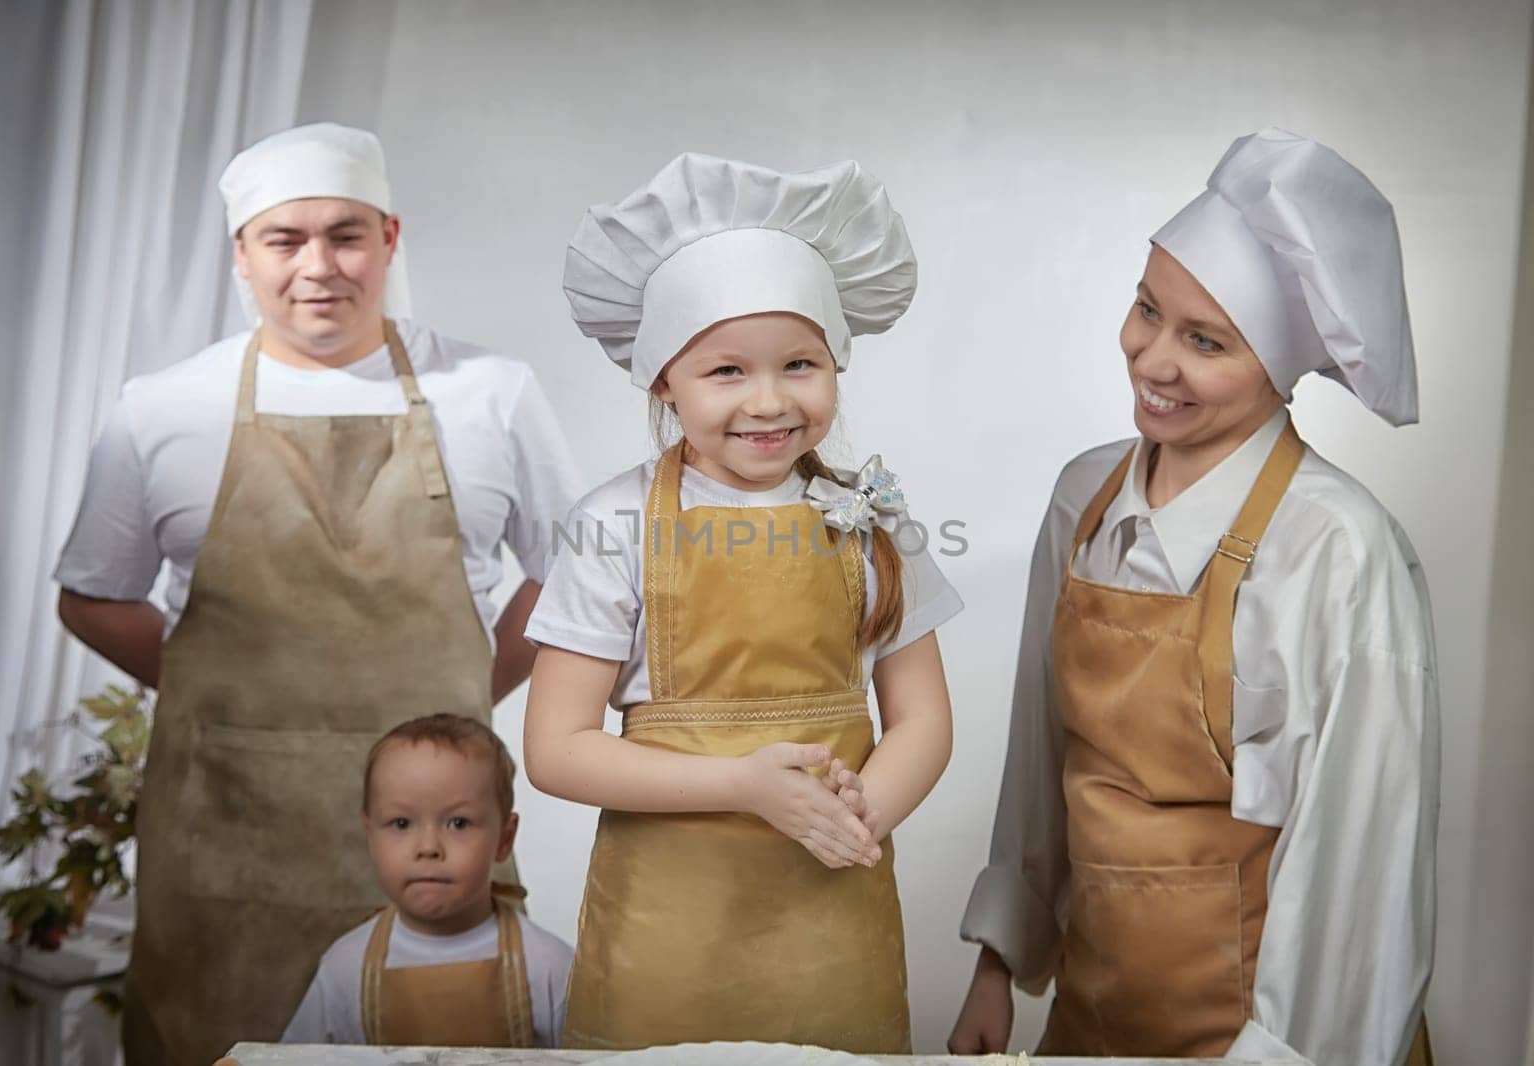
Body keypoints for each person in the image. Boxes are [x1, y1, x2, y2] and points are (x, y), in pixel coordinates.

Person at [52, 123, 583, 1065]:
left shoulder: (490, 394)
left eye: (345, 234)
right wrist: (219, 694)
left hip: (435, 836)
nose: (318, 266)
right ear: (241, 257)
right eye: (284, 240)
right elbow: (92, 596)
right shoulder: (163, 406)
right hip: (225, 835)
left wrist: (462, 694)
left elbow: (568, 577)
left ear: (389, 237)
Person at [948, 128, 1439, 1065]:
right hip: (1097, 1022)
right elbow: (1041, 752)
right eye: (1146, 310)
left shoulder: (1338, 549)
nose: (1153, 360)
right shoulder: (1082, 499)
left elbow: (1359, 872)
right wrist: (997, 965)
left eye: (1205, 341)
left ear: (1276, 368)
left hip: (1264, 1040)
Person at [522, 152, 963, 1053]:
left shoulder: (871, 521)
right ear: (662, 380)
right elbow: (555, 750)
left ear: (835, 362)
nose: (768, 401)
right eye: (725, 372)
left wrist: (855, 816)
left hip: (833, 910)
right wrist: (743, 787)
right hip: (667, 932)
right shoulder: (614, 524)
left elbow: (923, 720)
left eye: (799, 363)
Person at [281, 714, 572, 1048]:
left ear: (504, 840)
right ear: (371, 837)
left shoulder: (549, 966)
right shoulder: (345, 967)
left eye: (459, 823)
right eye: (401, 824)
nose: (428, 848)